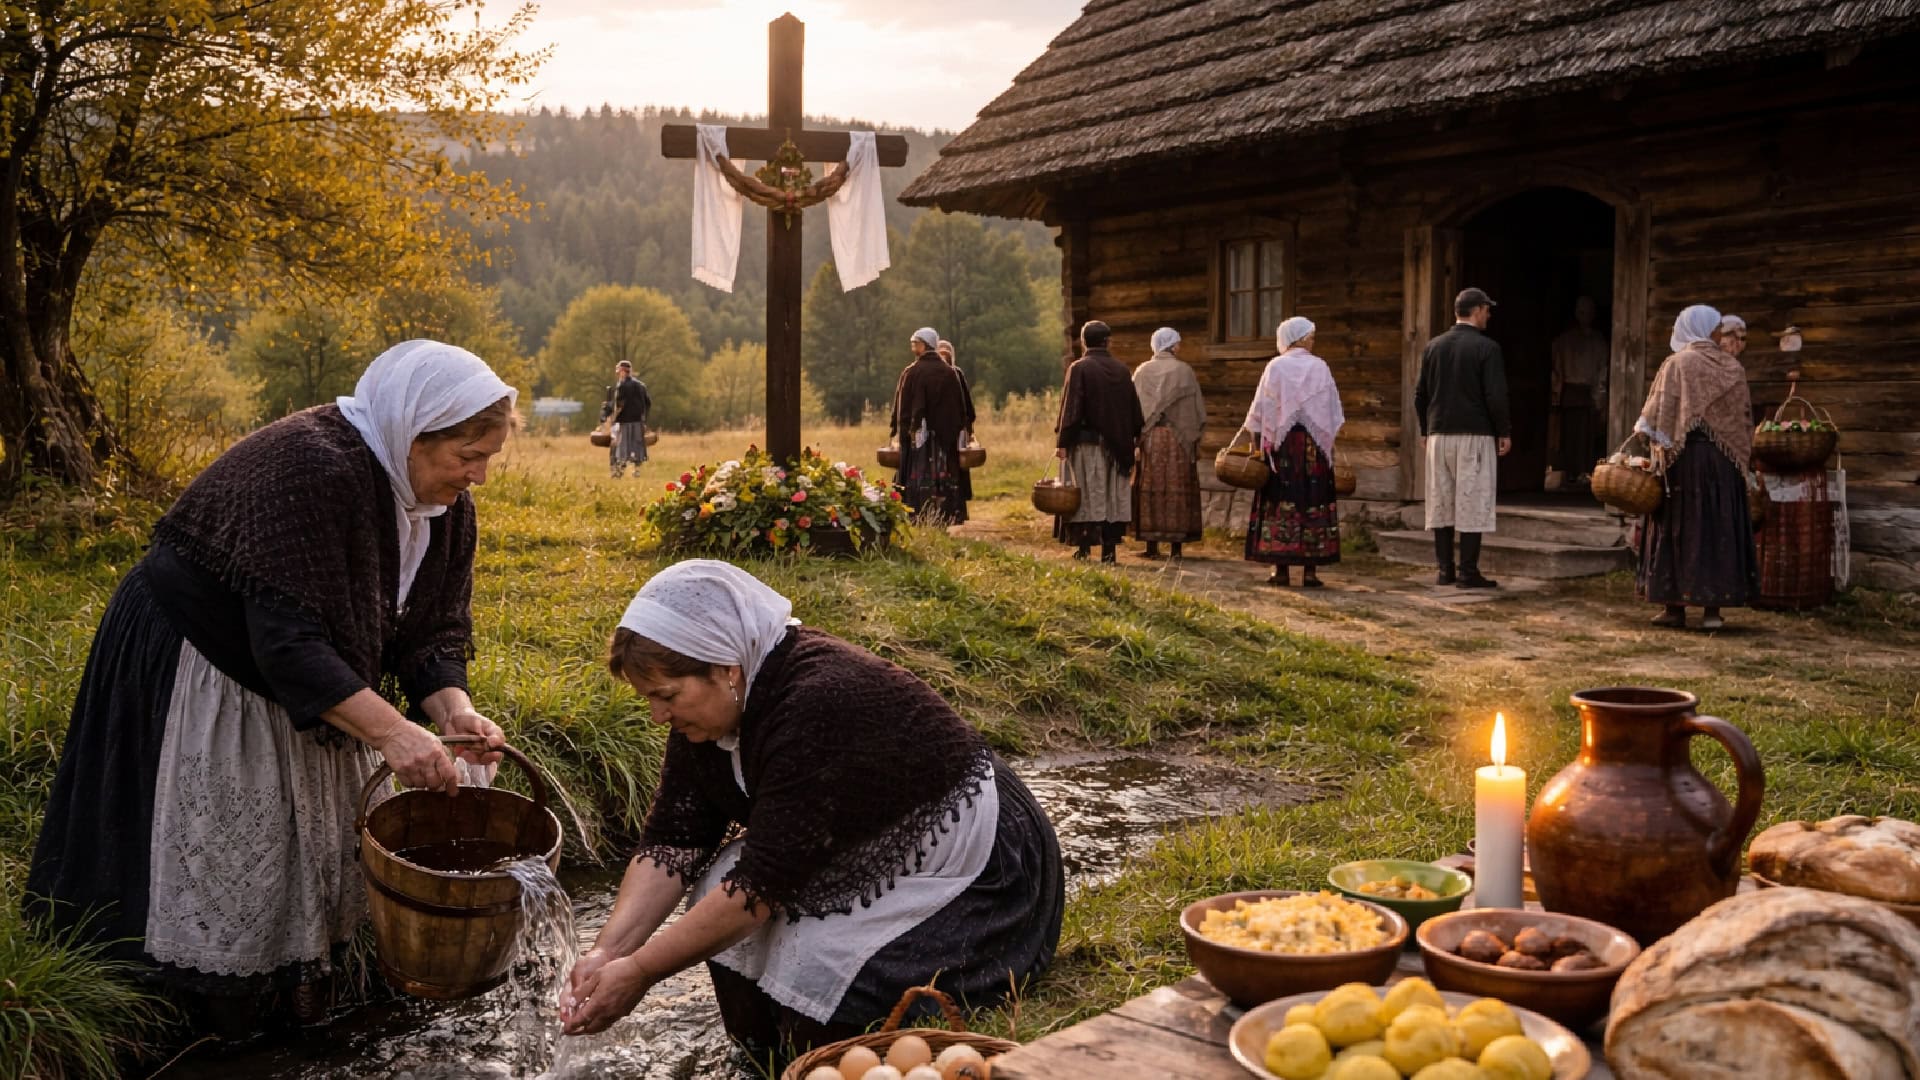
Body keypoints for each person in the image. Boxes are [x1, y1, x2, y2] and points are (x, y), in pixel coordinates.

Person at [25, 340, 513, 1033]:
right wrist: (396, 732)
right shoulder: (310, 469)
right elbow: (289, 647)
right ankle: (173, 1006)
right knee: (214, 842)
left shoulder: (443, 507)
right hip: (199, 649)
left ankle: (301, 987)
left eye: (489, 456)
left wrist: (455, 712)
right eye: (469, 455)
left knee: (305, 836)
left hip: (289, 660)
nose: (480, 475)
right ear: (413, 430)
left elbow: (431, 632)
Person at [560, 561, 1064, 1069]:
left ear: (727, 669)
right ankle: (761, 1057)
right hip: (857, 836)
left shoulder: (817, 702)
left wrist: (643, 971)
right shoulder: (706, 717)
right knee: (714, 884)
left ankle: (810, 1054)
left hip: (968, 852)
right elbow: (673, 843)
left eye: (666, 696)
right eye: (650, 699)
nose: (658, 716)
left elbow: (757, 892)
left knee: (820, 958)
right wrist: (609, 955)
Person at [1635, 305, 1757, 630]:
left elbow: (1656, 415)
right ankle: (1712, 612)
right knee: (1717, 529)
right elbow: (1743, 421)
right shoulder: (1733, 368)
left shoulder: (1677, 364)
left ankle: (1673, 607)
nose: (1719, 335)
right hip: (1722, 465)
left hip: (1685, 463)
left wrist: (1649, 441)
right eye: (1717, 329)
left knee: (1679, 528)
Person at [1414, 287, 1512, 588]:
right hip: (1475, 434)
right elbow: (1495, 394)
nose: (1490, 315)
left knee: (1441, 499)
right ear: (1477, 310)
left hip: (1439, 434)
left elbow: (1420, 394)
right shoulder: (1487, 348)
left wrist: (1424, 429)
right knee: (1473, 498)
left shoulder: (1433, 346)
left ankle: (1445, 570)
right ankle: (1468, 572)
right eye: (1487, 309)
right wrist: (1504, 430)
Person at [1242, 317, 1345, 586]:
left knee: (1281, 502)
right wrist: (1328, 445)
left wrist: (1257, 447)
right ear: (1296, 337)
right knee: (1313, 501)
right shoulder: (1319, 367)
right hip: (1313, 451)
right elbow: (1331, 413)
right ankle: (1311, 571)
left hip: (1283, 450)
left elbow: (1259, 411)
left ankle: (1281, 569)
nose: (1313, 340)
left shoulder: (1275, 368)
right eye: (1309, 335)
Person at [1053, 320, 1144, 563]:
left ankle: (1083, 550)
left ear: (1084, 342)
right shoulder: (1122, 370)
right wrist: (1131, 439)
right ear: (1107, 341)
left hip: (1087, 444)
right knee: (1111, 498)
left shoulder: (1079, 368)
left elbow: (1071, 408)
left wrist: (1062, 441)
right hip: (1118, 448)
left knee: (1088, 496)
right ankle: (1109, 553)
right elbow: (1135, 413)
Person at [1131, 327, 1206, 560]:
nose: (1180, 347)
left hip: (1152, 439)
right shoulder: (1184, 371)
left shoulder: (1143, 371)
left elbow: (1134, 408)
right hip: (1178, 440)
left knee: (1150, 488)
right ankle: (1176, 548)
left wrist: (1136, 437)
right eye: (1178, 343)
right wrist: (1195, 438)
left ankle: (1151, 546)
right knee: (1178, 487)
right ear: (1172, 345)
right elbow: (1196, 412)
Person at [889, 327, 971, 524]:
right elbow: (959, 409)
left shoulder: (913, 372)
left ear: (924, 344)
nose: (912, 348)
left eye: (915, 343)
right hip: (944, 438)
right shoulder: (949, 372)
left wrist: (904, 431)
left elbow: (905, 409)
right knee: (943, 476)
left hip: (919, 438)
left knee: (919, 476)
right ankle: (945, 515)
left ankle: (919, 514)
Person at [1551, 296, 1609, 483]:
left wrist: (1599, 398)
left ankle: (1583, 471)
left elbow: (1602, 371)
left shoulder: (1598, 341)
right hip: (1571, 391)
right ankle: (1569, 471)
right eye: (1582, 312)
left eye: (1588, 311)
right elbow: (1557, 370)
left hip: (1586, 393)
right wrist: (1556, 395)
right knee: (1569, 434)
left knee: (1586, 435)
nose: (1585, 315)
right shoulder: (1563, 341)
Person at [935, 339, 980, 506]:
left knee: (955, 467)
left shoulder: (956, 373)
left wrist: (968, 429)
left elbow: (966, 404)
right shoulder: (934, 375)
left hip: (956, 430)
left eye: (946, 354)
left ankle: (956, 503)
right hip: (939, 430)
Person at [601, 360, 653, 478]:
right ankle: (636, 471)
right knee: (637, 447)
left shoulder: (622, 385)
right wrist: (644, 420)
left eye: (618, 371)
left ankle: (617, 472)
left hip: (624, 422)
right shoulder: (641, 386)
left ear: (623, 371)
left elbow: (619, 404)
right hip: (638, 422)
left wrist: (610, 418)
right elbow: (648, 403)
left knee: (621, 448)